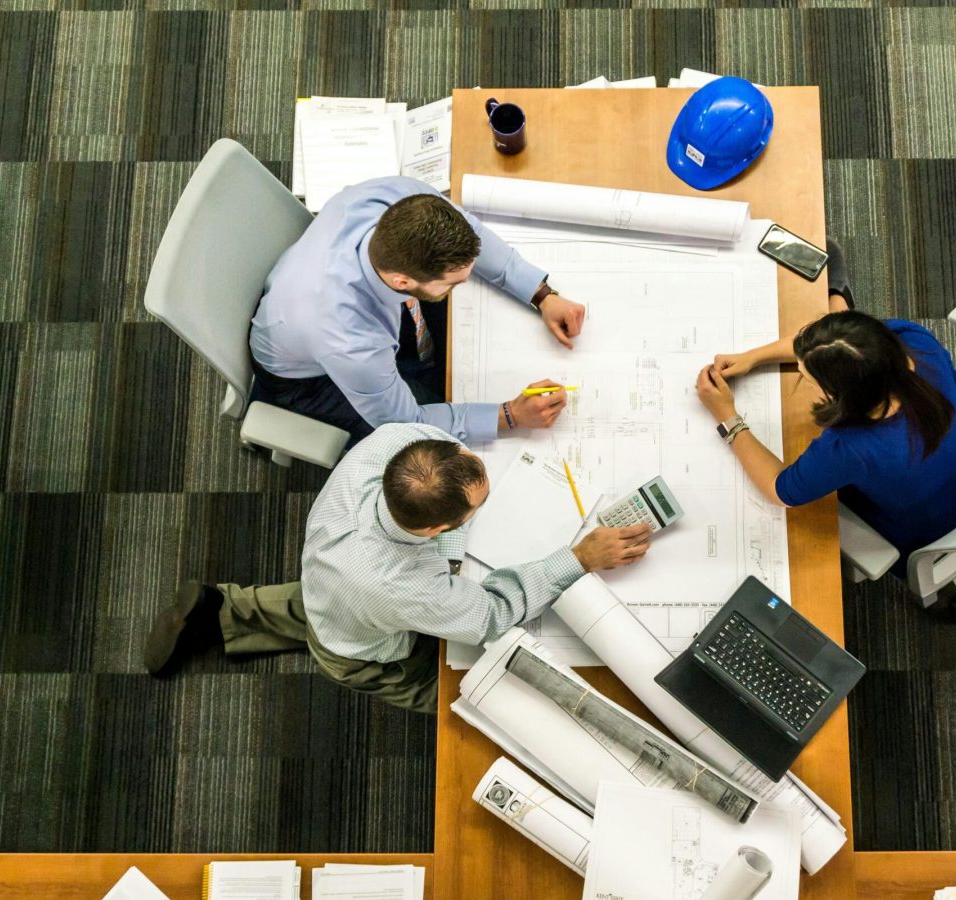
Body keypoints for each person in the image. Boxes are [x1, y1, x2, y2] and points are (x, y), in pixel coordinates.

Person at [143, 423, 651, 714]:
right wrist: (578, 557)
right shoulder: (402, 587)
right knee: (463, 693)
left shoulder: (395, 443)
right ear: (434, 530)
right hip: (362, 647)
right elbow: (491, 616)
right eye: (477, 506)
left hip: (331, 577)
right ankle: (235, 618)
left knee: (327, 603)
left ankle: (223, 609)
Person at [695, 247, 956, 583]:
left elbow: (781, 490)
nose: (803, 382)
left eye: (807, 379)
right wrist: (753, 357)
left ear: (840, 396)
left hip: (940, 524)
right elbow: (830, 343)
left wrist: (728, 417)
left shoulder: (850, 448)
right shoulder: (911, 341)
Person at [250, 176, 588, 444]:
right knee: (426, 445)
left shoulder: (399, 197)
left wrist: (541, 294)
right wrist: (510, 415)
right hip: (306, 379)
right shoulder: (350, 340)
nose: (465, 283)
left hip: (310, 298)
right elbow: (406, 423)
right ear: (402, 281)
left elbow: (473, 233)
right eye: (453, 282)